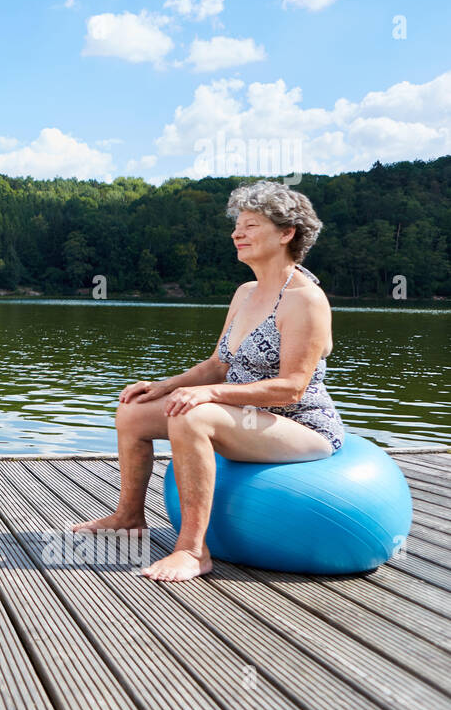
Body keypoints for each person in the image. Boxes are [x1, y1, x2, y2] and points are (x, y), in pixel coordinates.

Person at [74, 180, 344, 582]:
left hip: (301, 426)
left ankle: (193, 550)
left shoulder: (306, 299)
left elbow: (292, 388)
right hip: (245, 415)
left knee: (192, 417)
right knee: (133, 412)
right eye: (238, 225)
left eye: (251, 225)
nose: (237, 233)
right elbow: (219, 363)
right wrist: (163, 386)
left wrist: (208, 395)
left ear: (287, 233)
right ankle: (128, 516)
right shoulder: (246, 292)